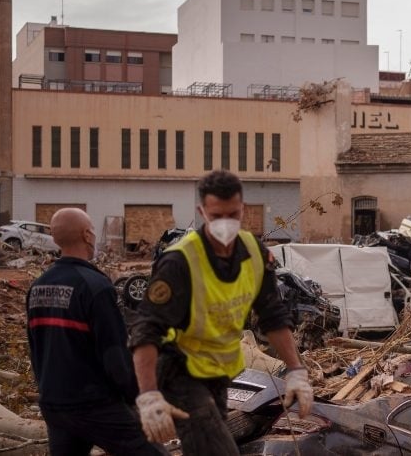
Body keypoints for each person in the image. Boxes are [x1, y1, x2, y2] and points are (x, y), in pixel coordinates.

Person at [129, 171, 314, 454]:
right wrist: (149, 395)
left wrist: (296, 370)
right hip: (178, 372)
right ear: (202, 211)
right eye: (216, 216)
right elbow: (145, 330)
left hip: (219, 374)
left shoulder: (255, 253)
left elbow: (272, 314)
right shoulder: (180, 261)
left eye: (232, 214)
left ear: (243, 210)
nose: (225, 224)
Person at [26, 208, 162, 456]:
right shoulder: (95, 286)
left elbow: (36, 349)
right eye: (92, 231)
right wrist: (138, 397)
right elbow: (115, 357)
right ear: (87, 235)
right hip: (94, 406)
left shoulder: (37, 287)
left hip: (54, 404)